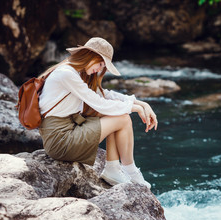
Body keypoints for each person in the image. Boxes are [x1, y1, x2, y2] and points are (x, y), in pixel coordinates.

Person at [38, 37, 157, 189]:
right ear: (91, 56)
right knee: (122, 119)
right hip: (61, 139)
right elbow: (98, 103)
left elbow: (103, 94)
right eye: (100, 64)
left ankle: (114, 169)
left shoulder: (74, 72)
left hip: (66, 131)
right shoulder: (67, 74)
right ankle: (129, 170)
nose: (99, 69)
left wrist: (140, 103)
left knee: (117, 116)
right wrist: (136, 109)